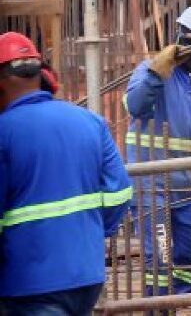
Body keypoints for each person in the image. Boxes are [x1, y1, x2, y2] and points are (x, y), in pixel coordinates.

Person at [0, 32, 131, 315]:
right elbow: (120, 193)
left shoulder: (4, 132)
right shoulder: (91, 122)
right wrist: (87, 229)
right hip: (86, 276)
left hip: (29, 285)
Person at [124, 4, 191, 300]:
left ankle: (173, 300)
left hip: (186, 188)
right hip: (150, 186)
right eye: (186, 40)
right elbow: (135, 105)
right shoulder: (152, 72)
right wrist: (154, 74)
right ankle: (159, 306)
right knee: (158, 261)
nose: (190, 49)